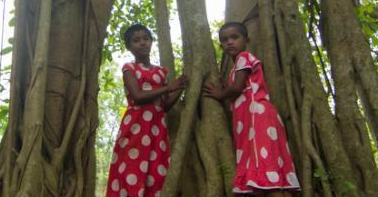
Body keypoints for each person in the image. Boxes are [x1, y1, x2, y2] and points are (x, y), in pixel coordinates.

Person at [203, 21, 300, 196]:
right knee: (258, 170)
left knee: (263, 167)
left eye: (234, 37)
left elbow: (237, 88)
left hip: (258, 117)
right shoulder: (236, 67)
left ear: (246, 40)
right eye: (224, 40)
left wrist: (220, 93)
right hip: (251, 121)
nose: (230, 42)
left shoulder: (244, 57)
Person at [107, 24, 187, 197]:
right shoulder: (129, 68)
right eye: (136, 40)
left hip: (157, 128)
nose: (142, 43)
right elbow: (138, 96)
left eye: (146, 39)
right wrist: (168, 88)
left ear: (151, 41)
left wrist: (180, 87)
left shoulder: (161, 72)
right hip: (136, 126)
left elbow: (163, 106)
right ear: (129, 47)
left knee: (156, 171)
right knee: (132, 168)